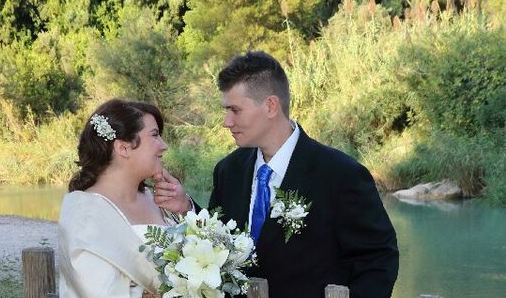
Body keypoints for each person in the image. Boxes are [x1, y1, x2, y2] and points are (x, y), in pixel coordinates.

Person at [154, 51, 399, 298]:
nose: (226, 122)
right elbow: (220, 244)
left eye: (235, 110)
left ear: (271, 106)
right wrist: (187, 208)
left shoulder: (340, 174)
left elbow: (377, 258)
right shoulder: (229, 170)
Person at [58, 98, 174, 298]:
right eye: (155, 135)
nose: (164, 146)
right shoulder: (84, 214)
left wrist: (185, 208)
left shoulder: (160, 199)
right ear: (123, 148)